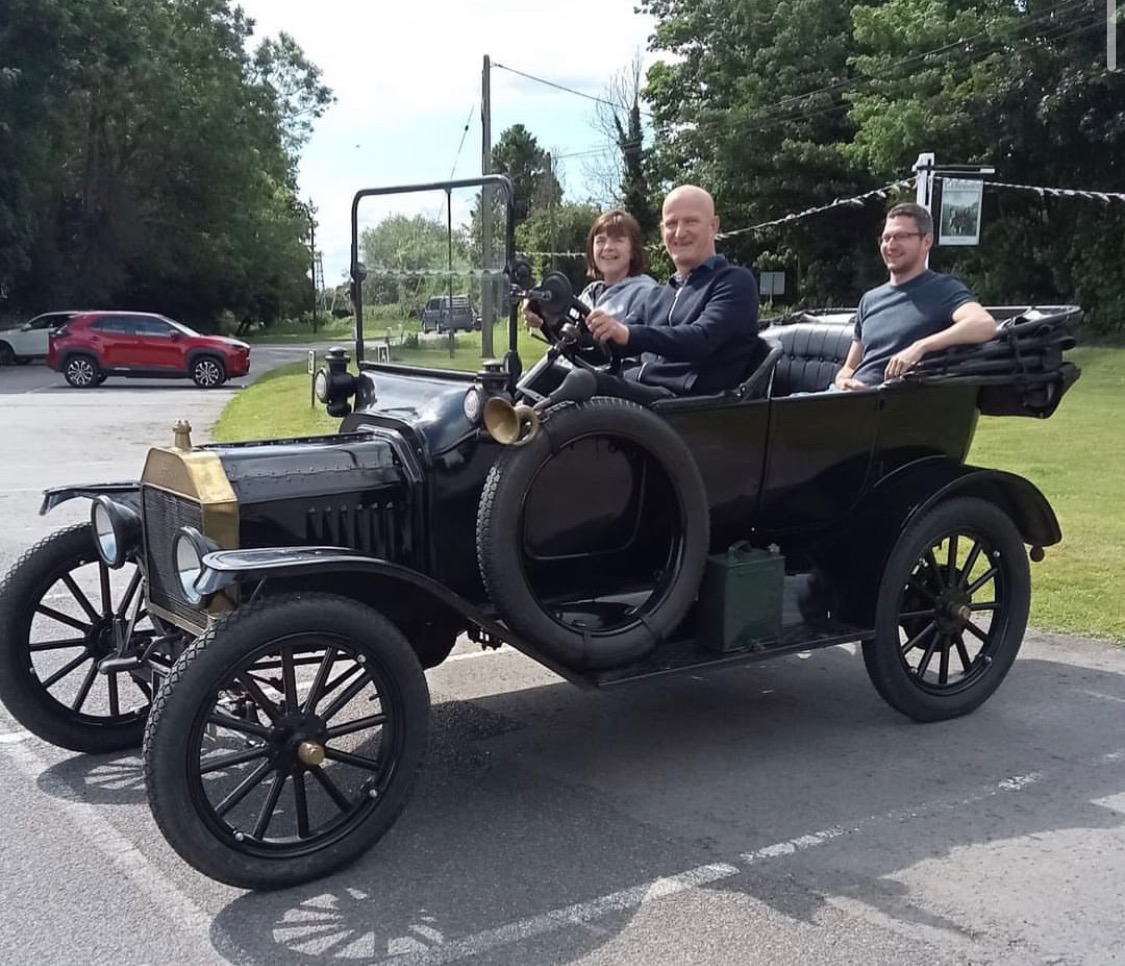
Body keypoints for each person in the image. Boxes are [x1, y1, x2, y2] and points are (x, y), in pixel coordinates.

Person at [584, 185, 761, 401]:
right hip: (645, 394)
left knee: (581, 383)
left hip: (688, 404)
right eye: (671, 224)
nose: (679, 232)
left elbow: (702, 339)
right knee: (556, 376)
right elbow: (611, 346)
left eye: (690, 221)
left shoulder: (734, 282)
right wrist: (556, 321)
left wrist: (627, 334)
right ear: (662, 231)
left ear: (713, 226)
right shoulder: (659, 296)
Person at [834, 202, 996, 391]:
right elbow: (850, 367)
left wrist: (921, 347)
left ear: (926, 241)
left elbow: (984, 324)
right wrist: (842, 380)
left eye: (901, 236)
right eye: (886, 238)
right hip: (843, 399)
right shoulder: (870, 299)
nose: (890, 245)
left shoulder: (943, 289)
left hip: (886, 404)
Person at [523, 208, 657, 326]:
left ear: (633, 250)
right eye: (600, 241)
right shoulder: (590, 294)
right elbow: (560, 319)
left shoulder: (646, 295)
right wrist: (535, 304)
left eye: (618, 240)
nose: (608, 247)